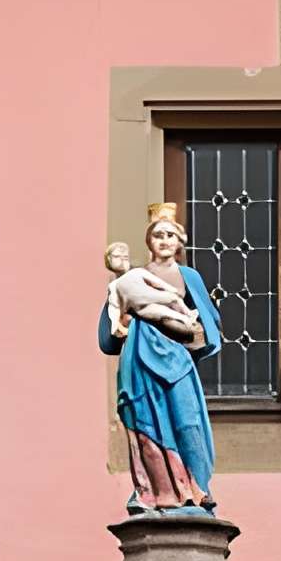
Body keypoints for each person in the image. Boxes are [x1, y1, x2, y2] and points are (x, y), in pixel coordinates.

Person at [98, 204, 222, 514]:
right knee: (145, 423)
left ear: (180, 242)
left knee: (187, 421)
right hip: (140, 357)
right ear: (149, 241)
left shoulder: (188, 276)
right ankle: (154, 491)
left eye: (170, 235)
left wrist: (196, 333)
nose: (163, 240)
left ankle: (195, 488)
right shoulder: (135, 276)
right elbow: (112, 324)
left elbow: (208, 318)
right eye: (157, 235)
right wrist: (120, 315)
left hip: (176, 357)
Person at [103, 239, 203, 343]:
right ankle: (186, 321)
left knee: (172, 303)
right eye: (117, 256)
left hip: (153, 299)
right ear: (109, 260)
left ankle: (188, 316)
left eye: (125, 257)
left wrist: (171, 289)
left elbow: (158, 282)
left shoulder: (137, 272)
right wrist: (116, 325)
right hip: (140, 310)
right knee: (165, 313)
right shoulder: (114, 286)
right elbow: (114, 308)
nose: (122, 259)